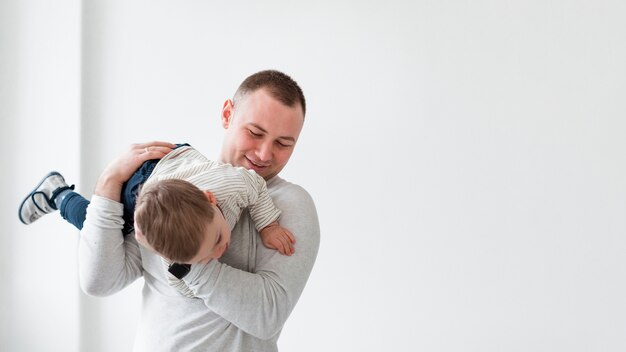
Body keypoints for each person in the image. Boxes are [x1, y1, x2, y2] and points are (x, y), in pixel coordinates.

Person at [79, 70, 319, 351]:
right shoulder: (176, 191)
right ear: (228, 115)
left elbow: (267, 315)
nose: (265, 154)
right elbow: (100, 281)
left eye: (283, 144)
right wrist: (109, 182)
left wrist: (184, 259)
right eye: (255, 133)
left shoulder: (289, 203)